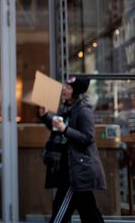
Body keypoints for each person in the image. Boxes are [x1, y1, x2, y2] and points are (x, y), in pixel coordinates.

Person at [39, 76, 106, 223]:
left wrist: (65, 129)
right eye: (64, 86)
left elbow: (87, 138)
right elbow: (58, 129)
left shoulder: (83, 111)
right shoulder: (67, 109)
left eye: (68, 88)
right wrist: (45, 117)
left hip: (76, 170)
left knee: (59, 215)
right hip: (69, 168)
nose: (64, 89)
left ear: (76, 92)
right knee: (89, 213)